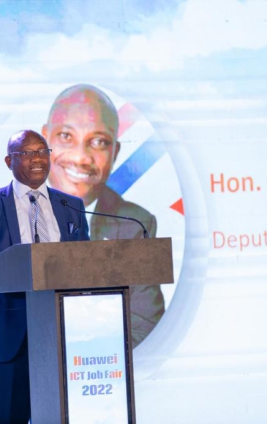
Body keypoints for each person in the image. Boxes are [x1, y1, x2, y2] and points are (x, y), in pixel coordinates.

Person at [0, 130, 89, 424]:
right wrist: (17, 268)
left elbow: (86, 265)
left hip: (62, 337)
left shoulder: (71, 206)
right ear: (9, 161)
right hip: (8, 339)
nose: (37, 159)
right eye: (28, 153)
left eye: (43, 152)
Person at [42, 84, 165, 348]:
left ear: (115, 152)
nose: (81, 157)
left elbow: (146, 325)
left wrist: (87, 359)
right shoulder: (9, 214)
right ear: (44, 141)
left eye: (98, 142)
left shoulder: (136, 225)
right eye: (66, 136)